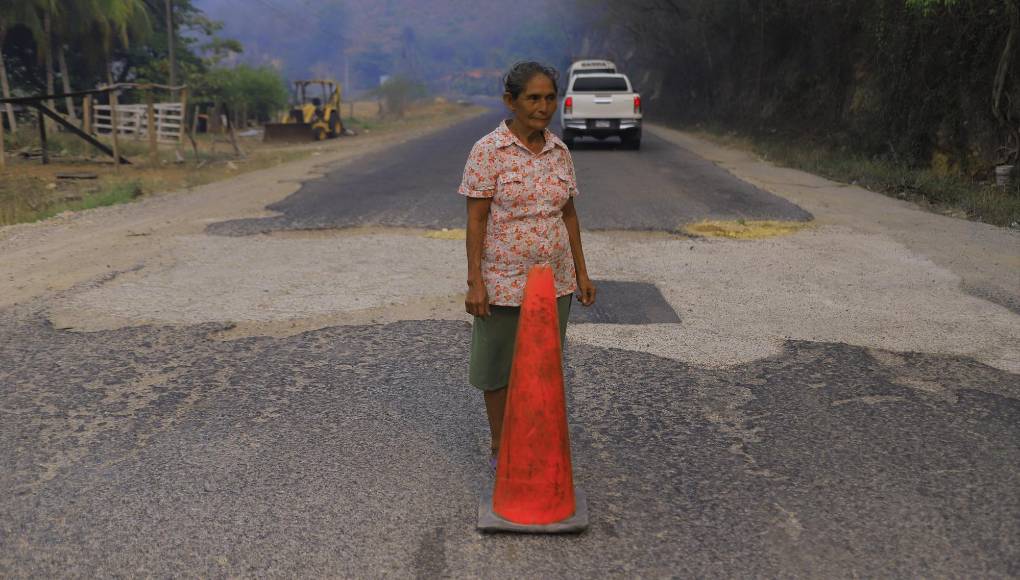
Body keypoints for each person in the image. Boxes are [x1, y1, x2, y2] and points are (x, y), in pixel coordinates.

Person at [458, 61, 596, 470]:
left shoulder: (560, 151)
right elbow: (476, 220)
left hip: (555, 282)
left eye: (550, 97)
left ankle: (536, 442)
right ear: (511, 101)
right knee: (497, 367)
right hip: (502, 280)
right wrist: (475, 282)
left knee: (543, 368)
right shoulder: (488, 151)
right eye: (533, 98)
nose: (543, 106)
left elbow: (568, 214)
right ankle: (502, 446)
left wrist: (582, 273)